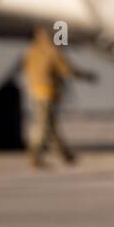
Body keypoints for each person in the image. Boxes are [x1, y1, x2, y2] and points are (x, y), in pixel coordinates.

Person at [21, 25, 97, 168]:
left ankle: (64, 154)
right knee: (44, 125)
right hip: (47, 92)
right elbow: (67, 70)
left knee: (50, 125)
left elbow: (24, 68)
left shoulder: (31, 51)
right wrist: (87, 76)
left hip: (35, 91)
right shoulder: (52, 51)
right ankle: (36, 157)